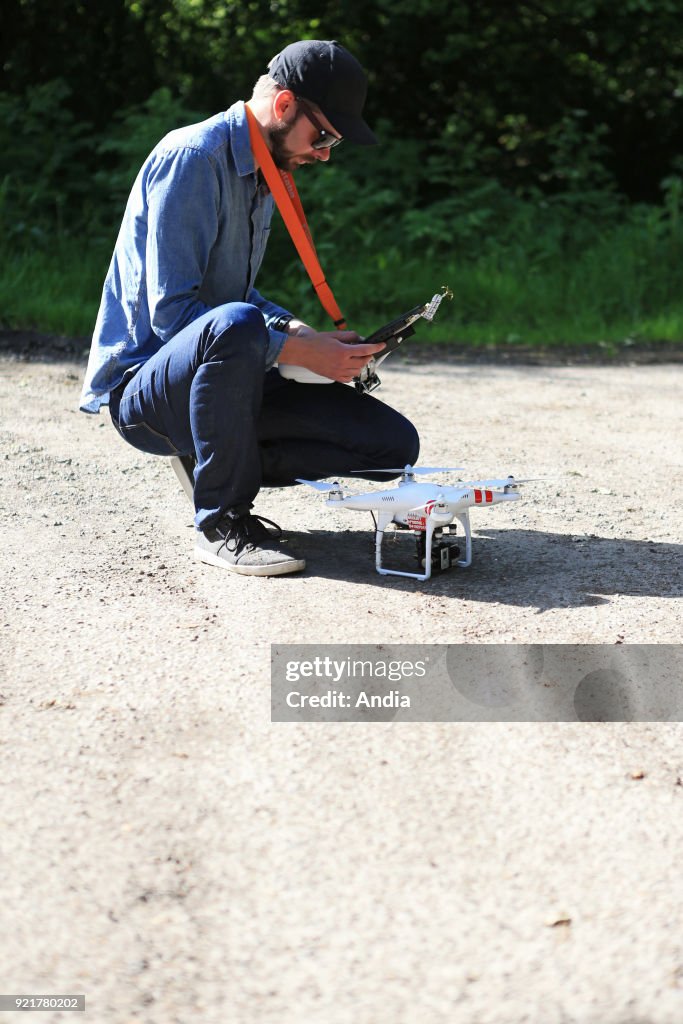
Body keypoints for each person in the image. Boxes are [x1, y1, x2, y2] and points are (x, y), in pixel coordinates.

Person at [80, 39, 419, 576]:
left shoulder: (265, 173)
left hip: (220, 365)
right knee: (237, 325)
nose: (326, 153)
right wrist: (295, 351)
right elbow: (174, 315)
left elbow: (238, 296)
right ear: (284, 106)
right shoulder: (193, 158)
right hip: (146, 387)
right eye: (324, 135)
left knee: (394, 445)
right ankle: (221, 521)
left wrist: (304, 333)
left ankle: (218, 458)